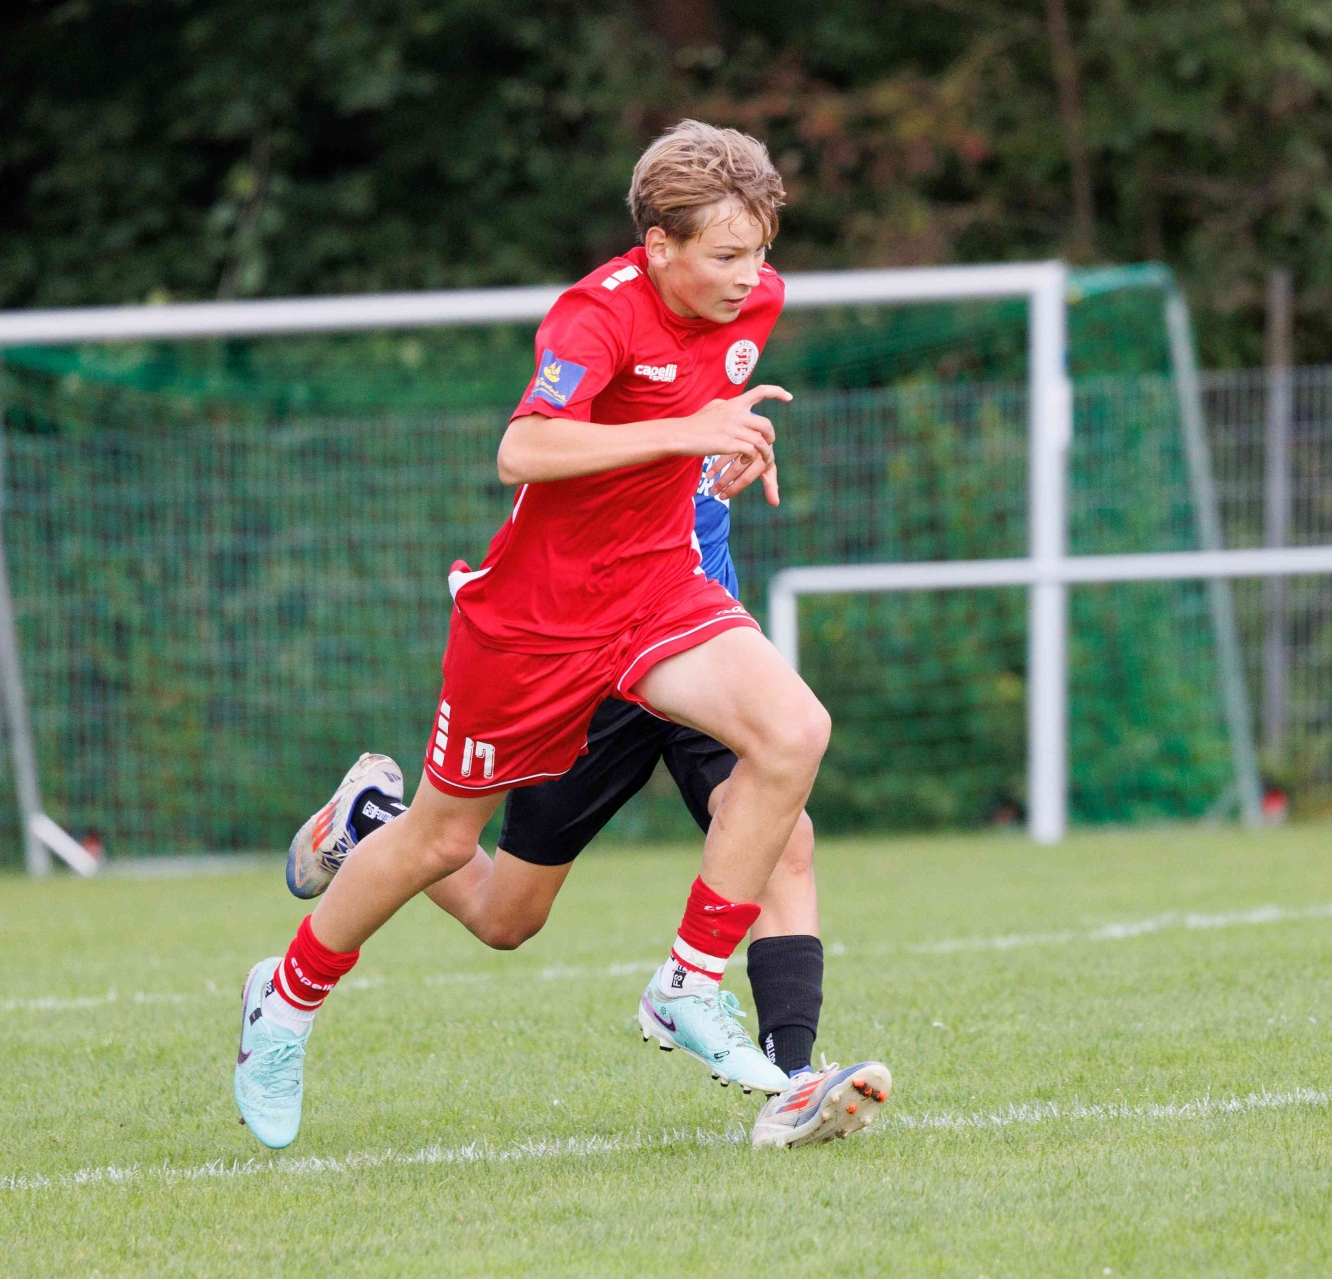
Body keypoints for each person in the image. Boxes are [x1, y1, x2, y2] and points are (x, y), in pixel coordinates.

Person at [234, 120, 879, 1151]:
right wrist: (689, 431)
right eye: (725, 254)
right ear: (657, 246)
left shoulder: (752, 299)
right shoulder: (596, 313)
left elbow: (689, 405)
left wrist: (721, 453)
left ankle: (688, 985)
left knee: (796, 732)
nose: (750, 275)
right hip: (537, 621)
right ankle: (287, 995)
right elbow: (523, 448)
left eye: (760, 250)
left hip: (660, 590)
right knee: (457, 857)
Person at [281, 447, 890, 1149]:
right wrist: (689, 428)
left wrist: (739, 432)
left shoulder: (715, 384)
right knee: (506, 917)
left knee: (786, 836)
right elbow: (534, 453)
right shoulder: (595, 389)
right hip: (592, 671)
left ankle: (794, 1083)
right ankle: (375, 819)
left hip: (700, 648)